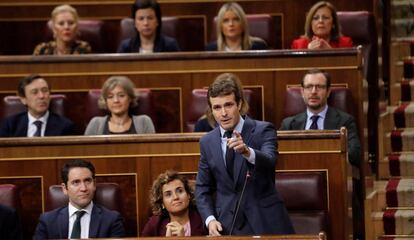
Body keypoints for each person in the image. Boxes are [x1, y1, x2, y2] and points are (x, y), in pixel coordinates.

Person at [195, 73, 294, 236]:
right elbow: (202, 188)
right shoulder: (207, 141)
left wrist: (248, 152)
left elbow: (270, 160)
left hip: (265, 222)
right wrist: (210, 219)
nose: (223, 113)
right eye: (217, 107)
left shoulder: (263, 130)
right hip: (227, 226)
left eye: (228, 105)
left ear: (239, 104)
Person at [279, 68, 363, 239]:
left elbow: (354, 154)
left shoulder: (345, 121)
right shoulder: (289, 124)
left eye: (319, 87)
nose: (314, 91)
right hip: (297, 187)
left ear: (329, 91)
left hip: (334, 185)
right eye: (309, 87)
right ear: (302, 91)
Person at [33, 159, 125, 239]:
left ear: (94, 184)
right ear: (65, 188)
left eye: (87, 181)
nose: (83, 188)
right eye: (76, 182)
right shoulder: (48, 221)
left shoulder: (112, 220)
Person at [0, 74, 76, 137]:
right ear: (23, 99)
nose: (41, 96)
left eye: (45, 91)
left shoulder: (65, 126)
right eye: (34, 92)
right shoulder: (9, 125)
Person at [141, 170, 206, 236]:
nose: (175, 197)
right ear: (162, 203)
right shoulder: (154, 224)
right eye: (168, 194)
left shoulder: (204, 219)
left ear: (188, 195)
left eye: (180, 191)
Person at [84, 76, 155, 135]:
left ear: (130, 98)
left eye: (121, 95)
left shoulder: (144, 122)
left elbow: (152, 150)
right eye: (110, 97)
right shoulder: (96, 123)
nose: (116, 100)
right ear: (105, 101)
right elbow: (85, 151)